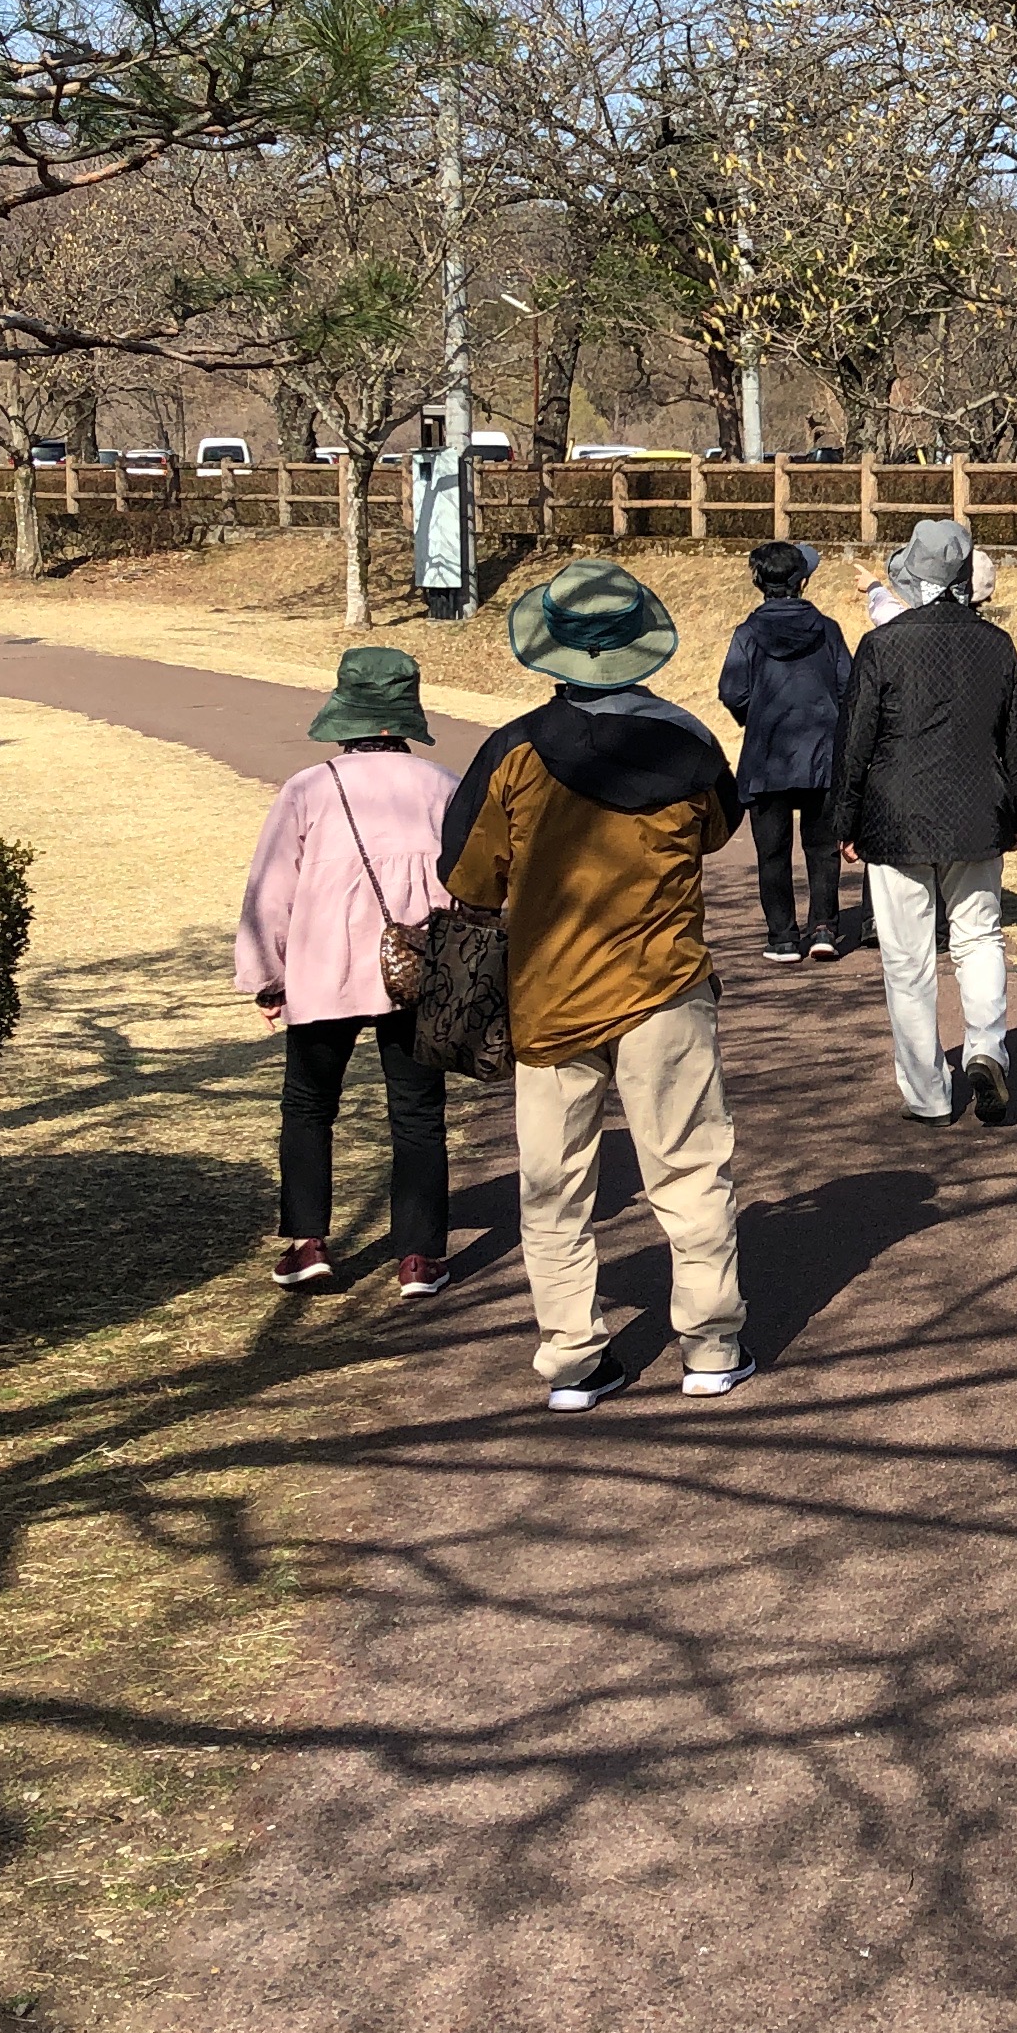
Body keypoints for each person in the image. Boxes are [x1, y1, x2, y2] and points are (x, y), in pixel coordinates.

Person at [439, 560, 755, 1411]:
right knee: (690, 1170)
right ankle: (713, 1345)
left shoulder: (511, 751)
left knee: (554, 1183)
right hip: (666, 986)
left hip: (549, 995)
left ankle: (573, 1357)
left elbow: (466, 879)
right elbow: (719, 830)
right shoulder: (690, 742)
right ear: (640, 646)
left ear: (550, 653)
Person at [234, 645, 456, 1294]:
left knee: (308, 1106)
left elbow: (270, 894)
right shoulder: (444, 787)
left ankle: (308, 1245)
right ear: (406, 715)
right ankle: (418, 1258)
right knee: (417, 1113)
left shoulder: (308, 790)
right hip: (419, 976)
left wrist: (268, 980)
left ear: (345, 711)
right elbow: (474, 889)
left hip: (323, 971)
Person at [832, 516, 1017, 1127]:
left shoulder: (883, 644)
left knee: (907, 958)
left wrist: (845, 817)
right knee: (978, 937)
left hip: (895, 813)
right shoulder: (995, 644)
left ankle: (927, 1091)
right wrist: (1016, 812)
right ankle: (986, 1047)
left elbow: (855, 742)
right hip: (977, 807)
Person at [717, 539, 856, 964]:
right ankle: (824, 930)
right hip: (821, 754)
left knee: (772, 851)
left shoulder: (747, 634)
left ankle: (781, 936)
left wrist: (755, 717)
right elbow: (848, 687)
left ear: (758, 582)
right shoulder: (828, 630)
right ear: (804, 581)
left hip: (767, 756)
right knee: (821, 848)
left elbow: (732, 691)